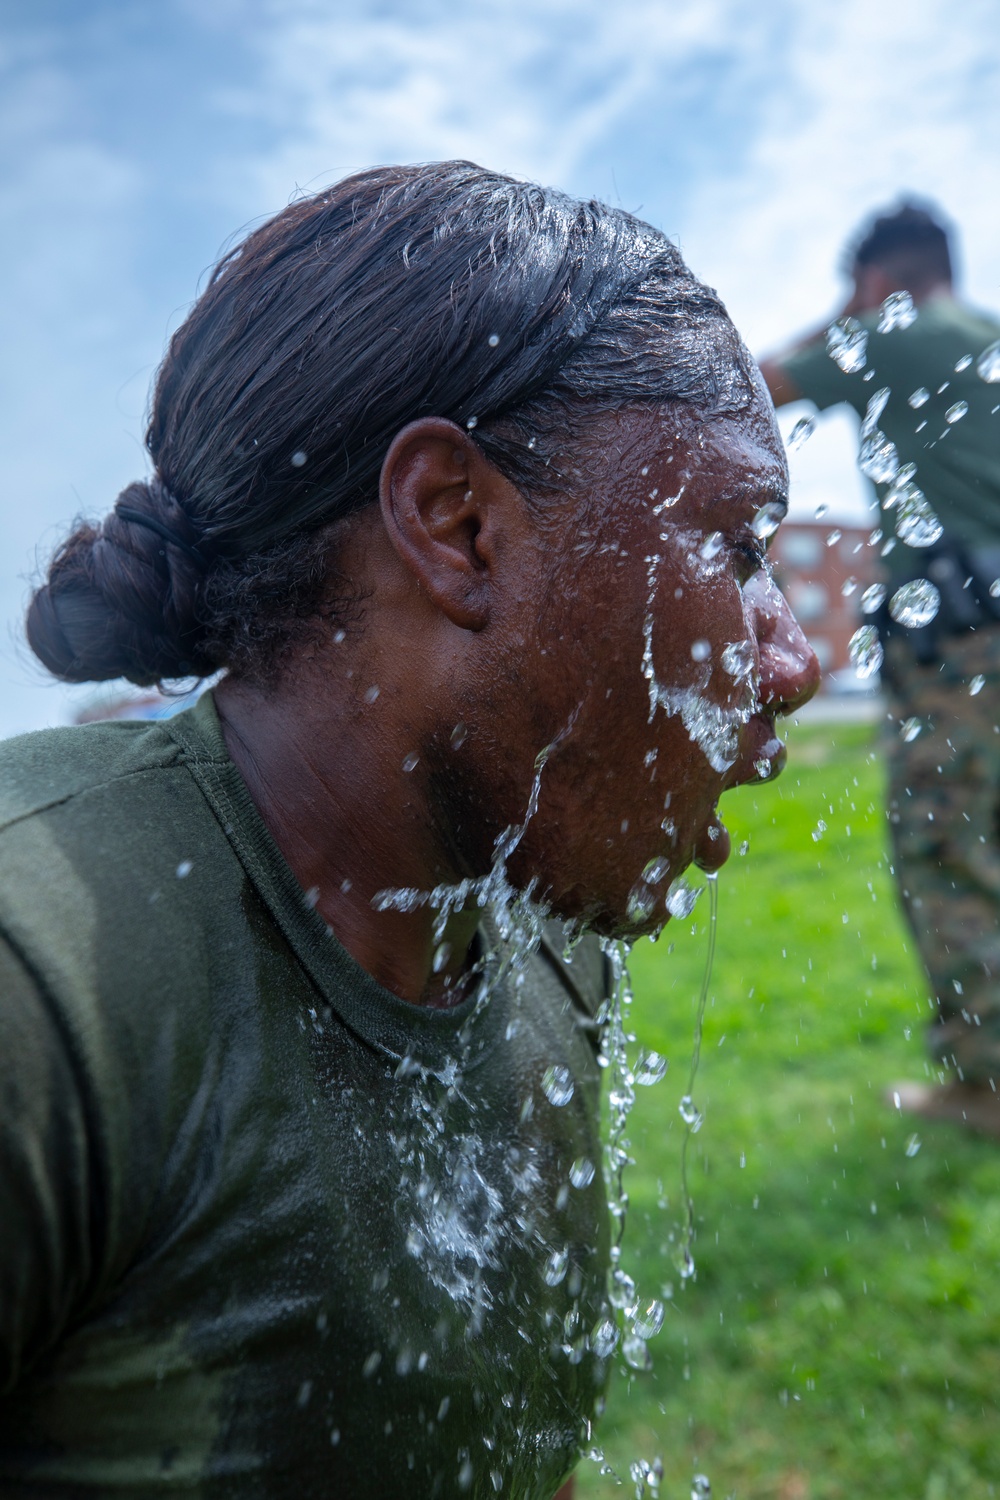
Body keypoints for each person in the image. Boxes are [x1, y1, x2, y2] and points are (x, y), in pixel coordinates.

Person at [0, 161, 818, 1496]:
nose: (792, 659)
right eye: (735, 548)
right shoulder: (45, 991)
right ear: (457, 524)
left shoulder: (534, 937)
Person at [759, 201, 1000, 1135]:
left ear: (879, 280)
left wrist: (847, 311)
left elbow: (755, 386)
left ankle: (988, 1085)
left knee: (949, 849)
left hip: (963, 653)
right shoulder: (984, 336)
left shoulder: (890, 332)